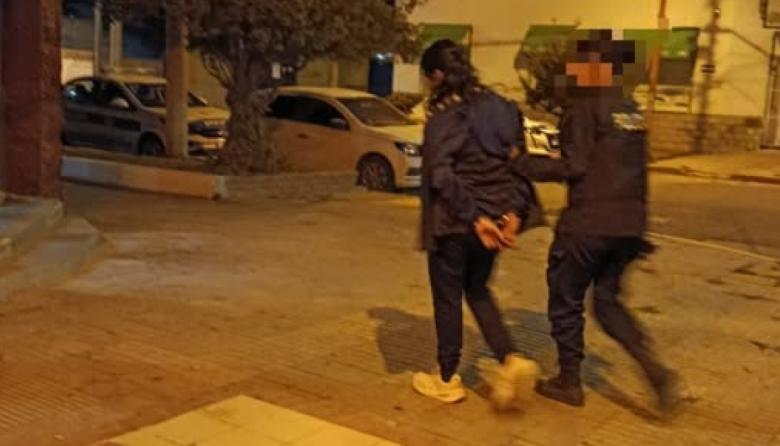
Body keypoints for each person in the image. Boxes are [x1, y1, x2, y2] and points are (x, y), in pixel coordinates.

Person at [513, 30, 679, 412]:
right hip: (629, 225)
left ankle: (569, 381)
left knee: (565, 297)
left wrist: (522, 164)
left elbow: (575, 165)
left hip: (589, 223)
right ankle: (656, 372)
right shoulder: (630, 110)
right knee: (606, 302)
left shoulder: (584, 105)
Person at [412, 39, 539, 409]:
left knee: (447, 296)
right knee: (478, 288)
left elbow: (441, 174)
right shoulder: (503, 107)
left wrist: (475, 217)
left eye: (427, 77)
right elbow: (517, 165)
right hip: (497, 220)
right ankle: (510, 359)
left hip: (457, 220)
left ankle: (446, 377)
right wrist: (514, 214)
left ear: (437, 75)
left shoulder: (446, 117)